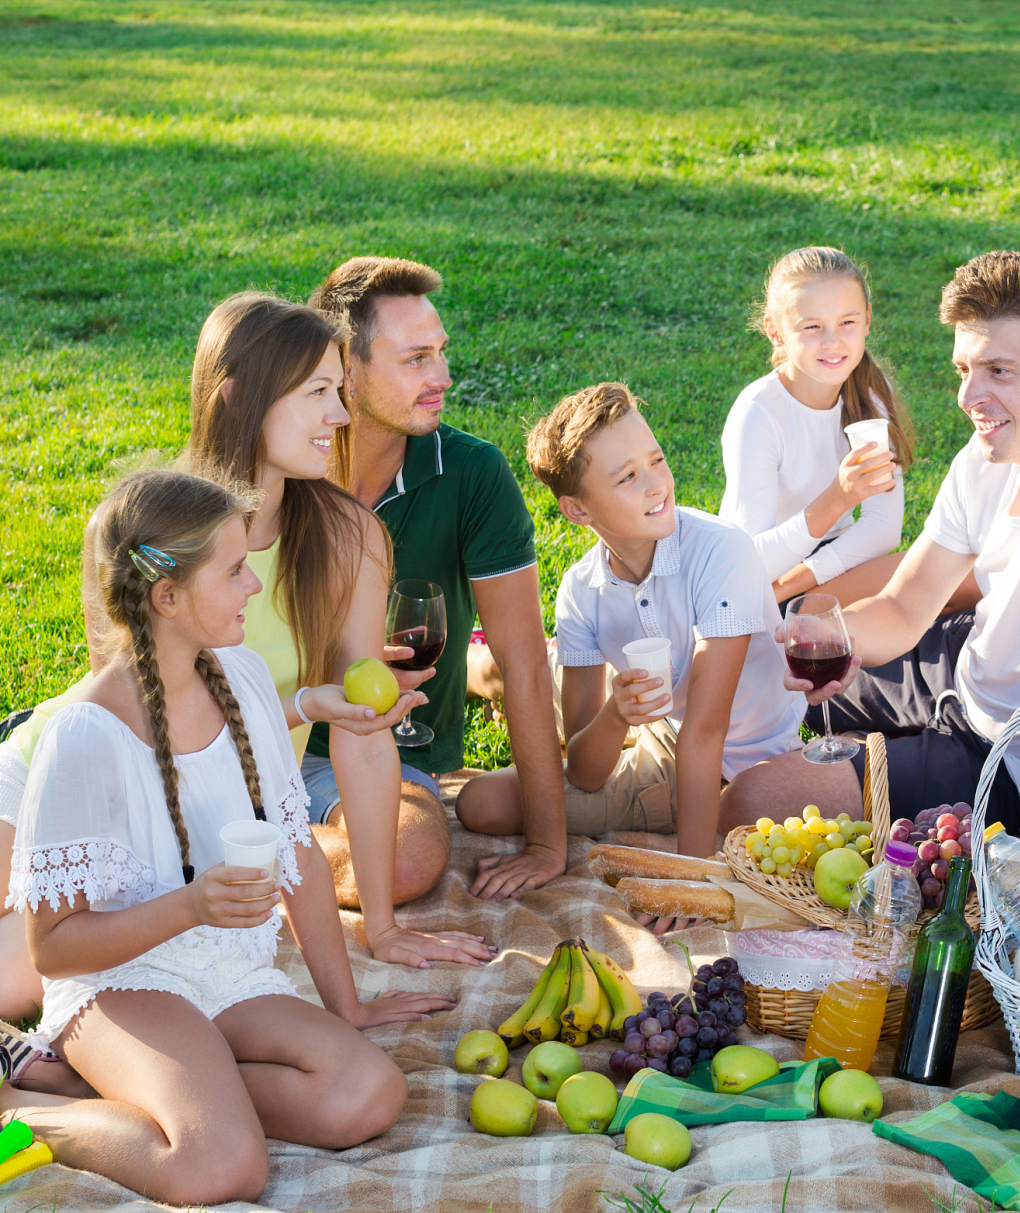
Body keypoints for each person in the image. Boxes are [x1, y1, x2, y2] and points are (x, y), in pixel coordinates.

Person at [0, 297, 494, 1028]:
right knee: (30, 978)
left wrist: (382, 927)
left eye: (340, 391)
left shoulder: (348, 538)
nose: (341, 416)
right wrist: (301, 707)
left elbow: (361, 731)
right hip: (80, 780)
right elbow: (139, 719)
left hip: (208, 812)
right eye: (318, 393)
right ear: (239, 396)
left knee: (25, 982)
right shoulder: (149, 525)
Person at [0, 469, 451, 1205]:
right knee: (219, 1168)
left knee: (366, 1093)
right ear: (167, 597)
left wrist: (347, 1008)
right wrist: (190, 906)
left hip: (226, 974)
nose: (253, 585)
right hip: (120, 986)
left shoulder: (240, 679)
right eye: (235, 570)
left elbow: (298, 855)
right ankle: (20, 1108)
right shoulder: (86, 735)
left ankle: (152, 1090)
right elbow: (52, 950)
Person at [721, 252, 1020, 835]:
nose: (968, 397)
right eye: (964, 370)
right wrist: (830, 639)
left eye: (998, 371)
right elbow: (903, 607)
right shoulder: (989, 457)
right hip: (964, 678)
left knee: (751, 800)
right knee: (766, 676)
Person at [457, 384, 804, 929]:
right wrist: (616, 715)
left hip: (720, 752)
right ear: (577, 509)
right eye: (627, 477)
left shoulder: (722, 550)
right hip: (659, 730)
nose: (656, 484)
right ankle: (477, 669)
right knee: (476, 801)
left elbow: (704, 733)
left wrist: (691, 877)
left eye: (656, 460)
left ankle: (492, 673)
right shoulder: (581, 590)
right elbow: (585, 771)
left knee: (491, 796)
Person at [307, 257, 566, 902]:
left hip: (390, 754)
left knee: (405, 860)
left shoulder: (473, 474)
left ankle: (236, 850)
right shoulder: (283, 464)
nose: (443, 377)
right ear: (346, 370)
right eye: (416, 359)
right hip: (262, 739)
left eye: (441, 352)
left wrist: (546, 843)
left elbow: (525, 664)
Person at [718, 246, 915, 607]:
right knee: (917, 588)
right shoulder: (758, 413)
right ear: (775, 331)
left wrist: (793, 584)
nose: (832, 342)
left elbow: (883, 530)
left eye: (847, 322)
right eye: (812, 327)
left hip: (818, 570)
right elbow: (752, 563)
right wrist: (838, 498)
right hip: (754, 583)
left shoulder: (872, 392)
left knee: (953, 574)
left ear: (867, 319)